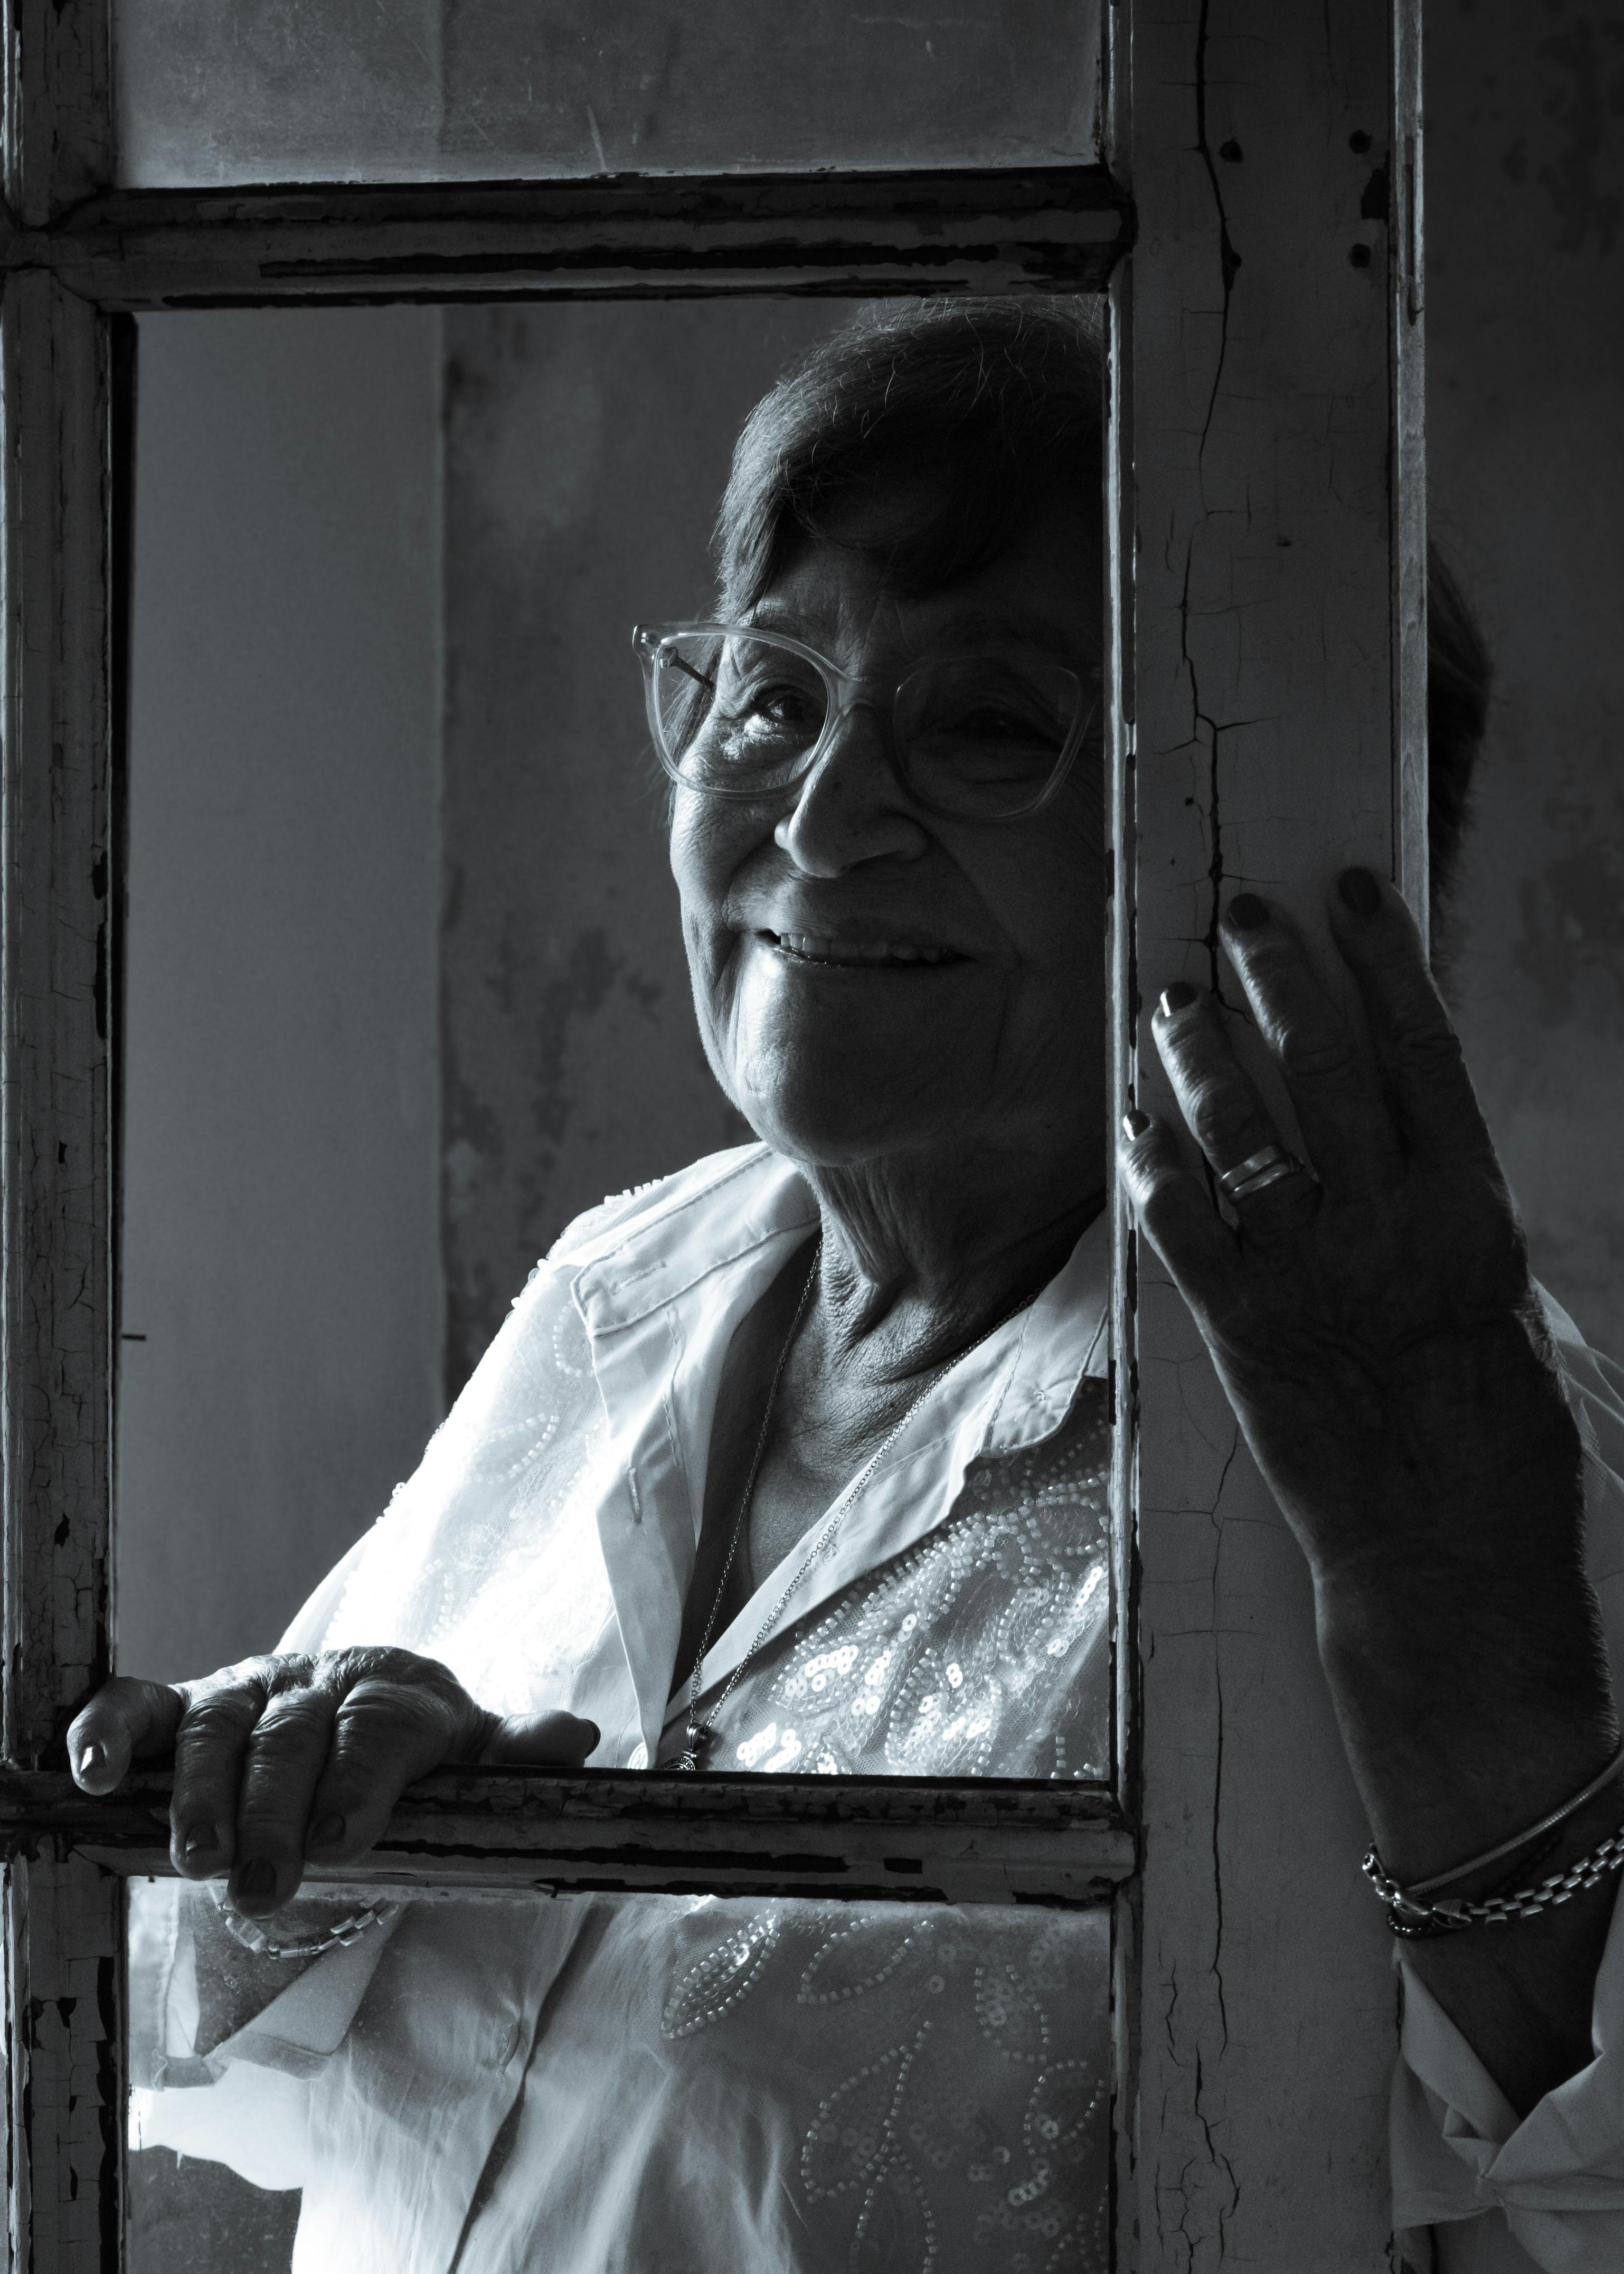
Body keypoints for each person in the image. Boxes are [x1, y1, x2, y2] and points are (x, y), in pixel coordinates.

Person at [74, 300, 1624, 2272]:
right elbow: (247, 2058)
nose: (815, 820)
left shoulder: (1447, 1460)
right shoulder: (629, 1283)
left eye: (989, 725)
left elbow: (1564, 2197)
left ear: (1272, 846)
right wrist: (295, 1825)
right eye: (773, 696)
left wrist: (1463, 1645)